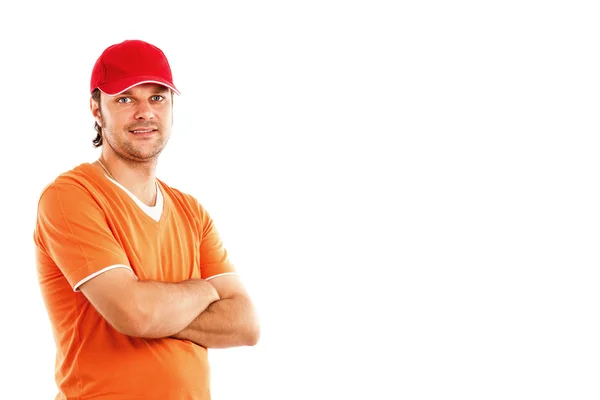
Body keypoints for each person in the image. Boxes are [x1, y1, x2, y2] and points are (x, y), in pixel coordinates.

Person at [33, 39, 260, 400]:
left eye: (157, 97)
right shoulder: (72, 196)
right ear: (96, 108)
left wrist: (158, 312)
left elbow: (245, 324)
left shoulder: (191, 212)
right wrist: (207, 291)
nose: (144, 112)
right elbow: (135, 314)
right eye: (125, 99)